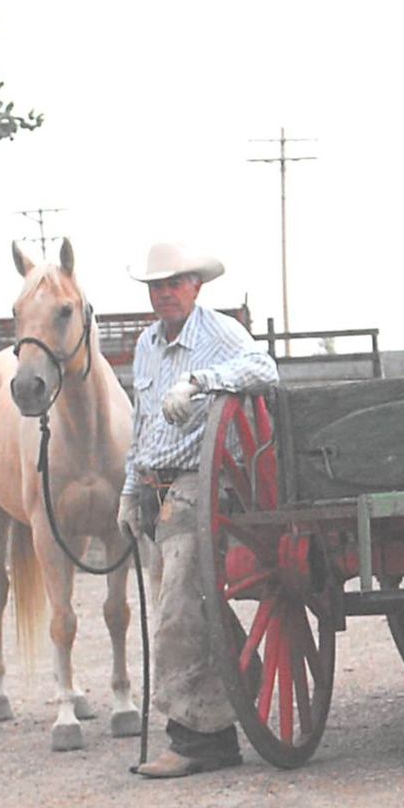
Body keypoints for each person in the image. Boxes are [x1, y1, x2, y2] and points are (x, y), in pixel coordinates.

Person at [117, 241, 279, 778]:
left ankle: (195, 737)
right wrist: (127, 489)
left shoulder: (219, 334)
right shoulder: (146, 345)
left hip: (201, 488)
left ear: (197, 286)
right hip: (155, 491)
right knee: (185, 602)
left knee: (176, 611)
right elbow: (142, 422)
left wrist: (200, 381)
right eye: (156, 286)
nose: (165, 293)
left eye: (175, 283)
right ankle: (237, 685)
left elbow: (264, 368)